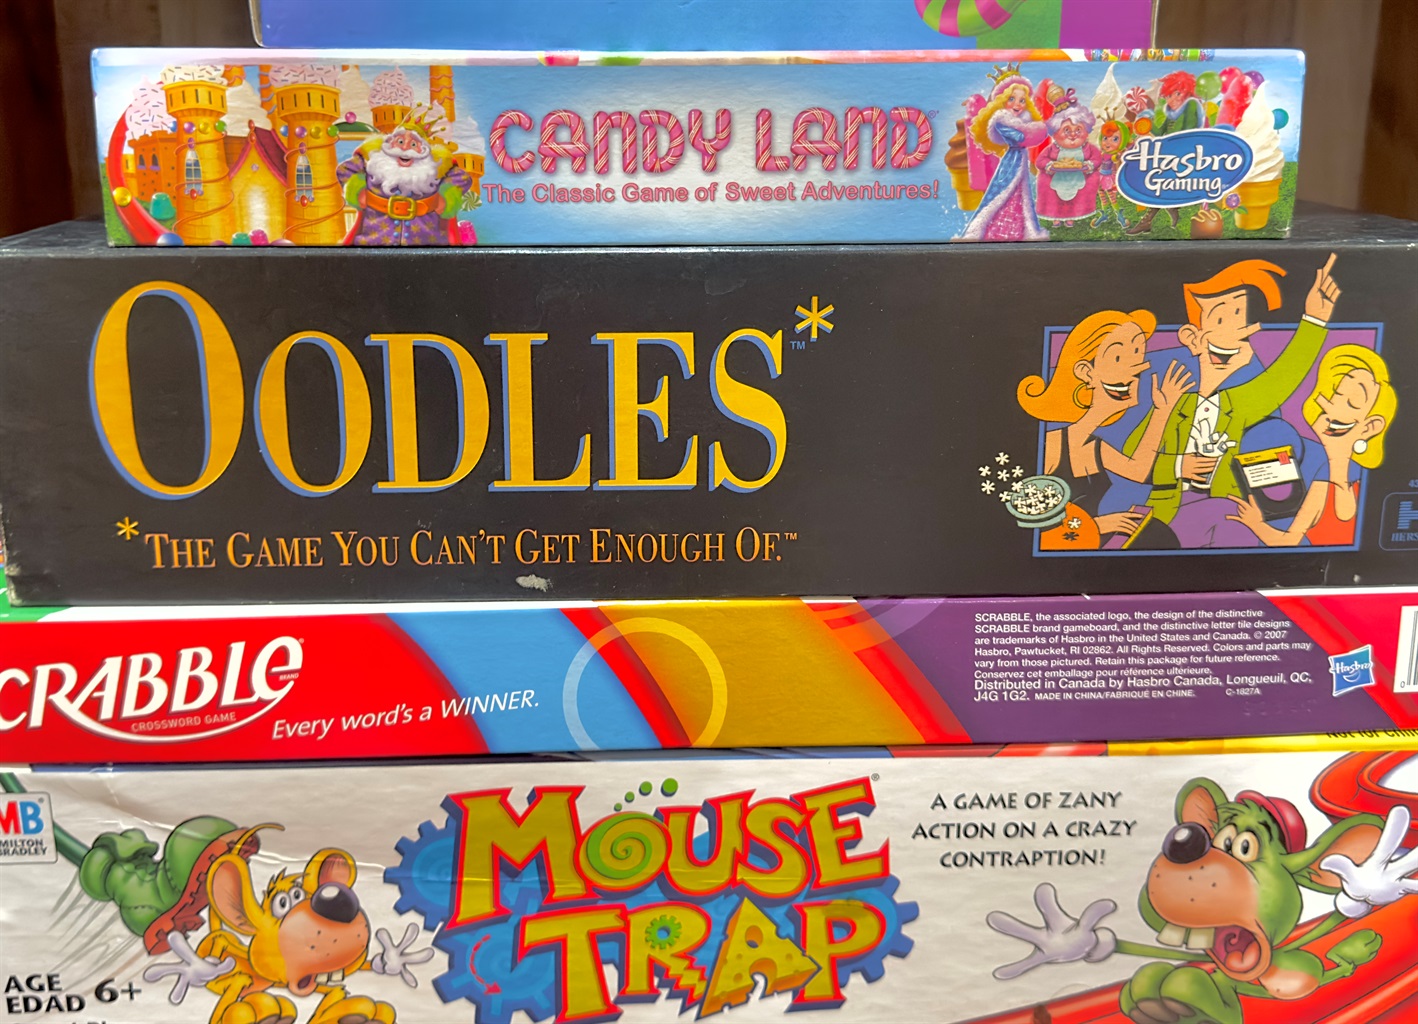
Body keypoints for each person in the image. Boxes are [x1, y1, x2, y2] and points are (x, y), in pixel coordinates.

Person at [1122, 255, 1342, 532]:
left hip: (1227, 514)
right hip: (1165, 516)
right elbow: (1132, 459)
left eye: (1241, 317)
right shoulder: (1173, 402)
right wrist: (1179, 466)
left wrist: (1314, 320)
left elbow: (1282, 379)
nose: (1241, 329)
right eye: (1221, 318)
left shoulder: (1238, 403)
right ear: (1192, 338)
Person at [1018, 309, 1193, 544]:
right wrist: (1096, 524)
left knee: (1158, 534)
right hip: (1072, 549)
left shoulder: (1094, 448)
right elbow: (1027, 522)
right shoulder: (1051, 447)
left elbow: (1138, 470)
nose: (1135, 371)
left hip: (1090, 544)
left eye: (1138, 355)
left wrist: (1163, 410)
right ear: (1086, 372)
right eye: (1118, 358)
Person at [1227, 345, 1394, 546]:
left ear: (1370, 427)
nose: (1328, 407)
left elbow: (1289, 541)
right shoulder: (1321, 471)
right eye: (1334, 394)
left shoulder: (1347, 475)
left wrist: (1256, 523)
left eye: (1352, 402)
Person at [337, 113, 473, 246]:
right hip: (374, 243)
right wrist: (358, 189)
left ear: (424, 150)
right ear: (390, 143)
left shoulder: (434, 169)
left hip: (426, 245)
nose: (405, 148)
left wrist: (445, 197)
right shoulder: (373, 163)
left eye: (413, 144)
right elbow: (344, 169)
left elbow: (463, 177)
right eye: (400, 142)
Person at [959, 69, 1049, 242]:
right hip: (1012, 161)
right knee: (1004, 190)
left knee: (1021, 194)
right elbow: (1019, 138)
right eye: (1012, 99)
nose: (1018, 104)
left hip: (1019, 158)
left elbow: (1028, 135)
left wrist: (1034, 128)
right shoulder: (1001, 120)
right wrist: (1035, 130)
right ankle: (994, 230)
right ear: (1002, 100)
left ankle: (1021, 229)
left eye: (1022, 100)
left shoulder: (1021, 120)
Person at [1126, 71, 1208, 235]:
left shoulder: (1191, 105)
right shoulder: (1172, 113)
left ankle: (1149, 220)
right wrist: (1146, 121)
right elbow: (1160, 132)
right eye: (1169, 95)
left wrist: (1167, 146)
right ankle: (1166, 211)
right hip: (1171, 156)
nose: (1172, 99)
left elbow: (1185, 133)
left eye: (1177, 93)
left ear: (1188, 92)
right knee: (1158, 185)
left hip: (1186, 157)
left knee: (1158, 183)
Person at [1035, 100, 1102, 228]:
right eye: (1066, 130)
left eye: (1078, 130)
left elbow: (1097, 159)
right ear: (1055, 132)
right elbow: (1040, 161)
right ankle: (1056, 217)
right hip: (1056, 179)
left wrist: (1090, 165)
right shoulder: (1052, 148)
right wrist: (1050, 165)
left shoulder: (1089, 148)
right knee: (1055, 200)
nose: (1072, 134)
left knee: (1075, 201)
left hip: (1079, 179)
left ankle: (1071, 217)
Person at [1090, 120, 1132, 230]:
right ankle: (1105, 213)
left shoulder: (1114, 155)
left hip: (1107, 178)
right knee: (1102, 196)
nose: (1108, 142)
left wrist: (1119, 156)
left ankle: (1119, 215)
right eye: (1105, 138)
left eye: (1115, 139)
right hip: (1100, 177)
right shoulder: (1103, 153)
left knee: (1111, 197)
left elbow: (1116, 160)